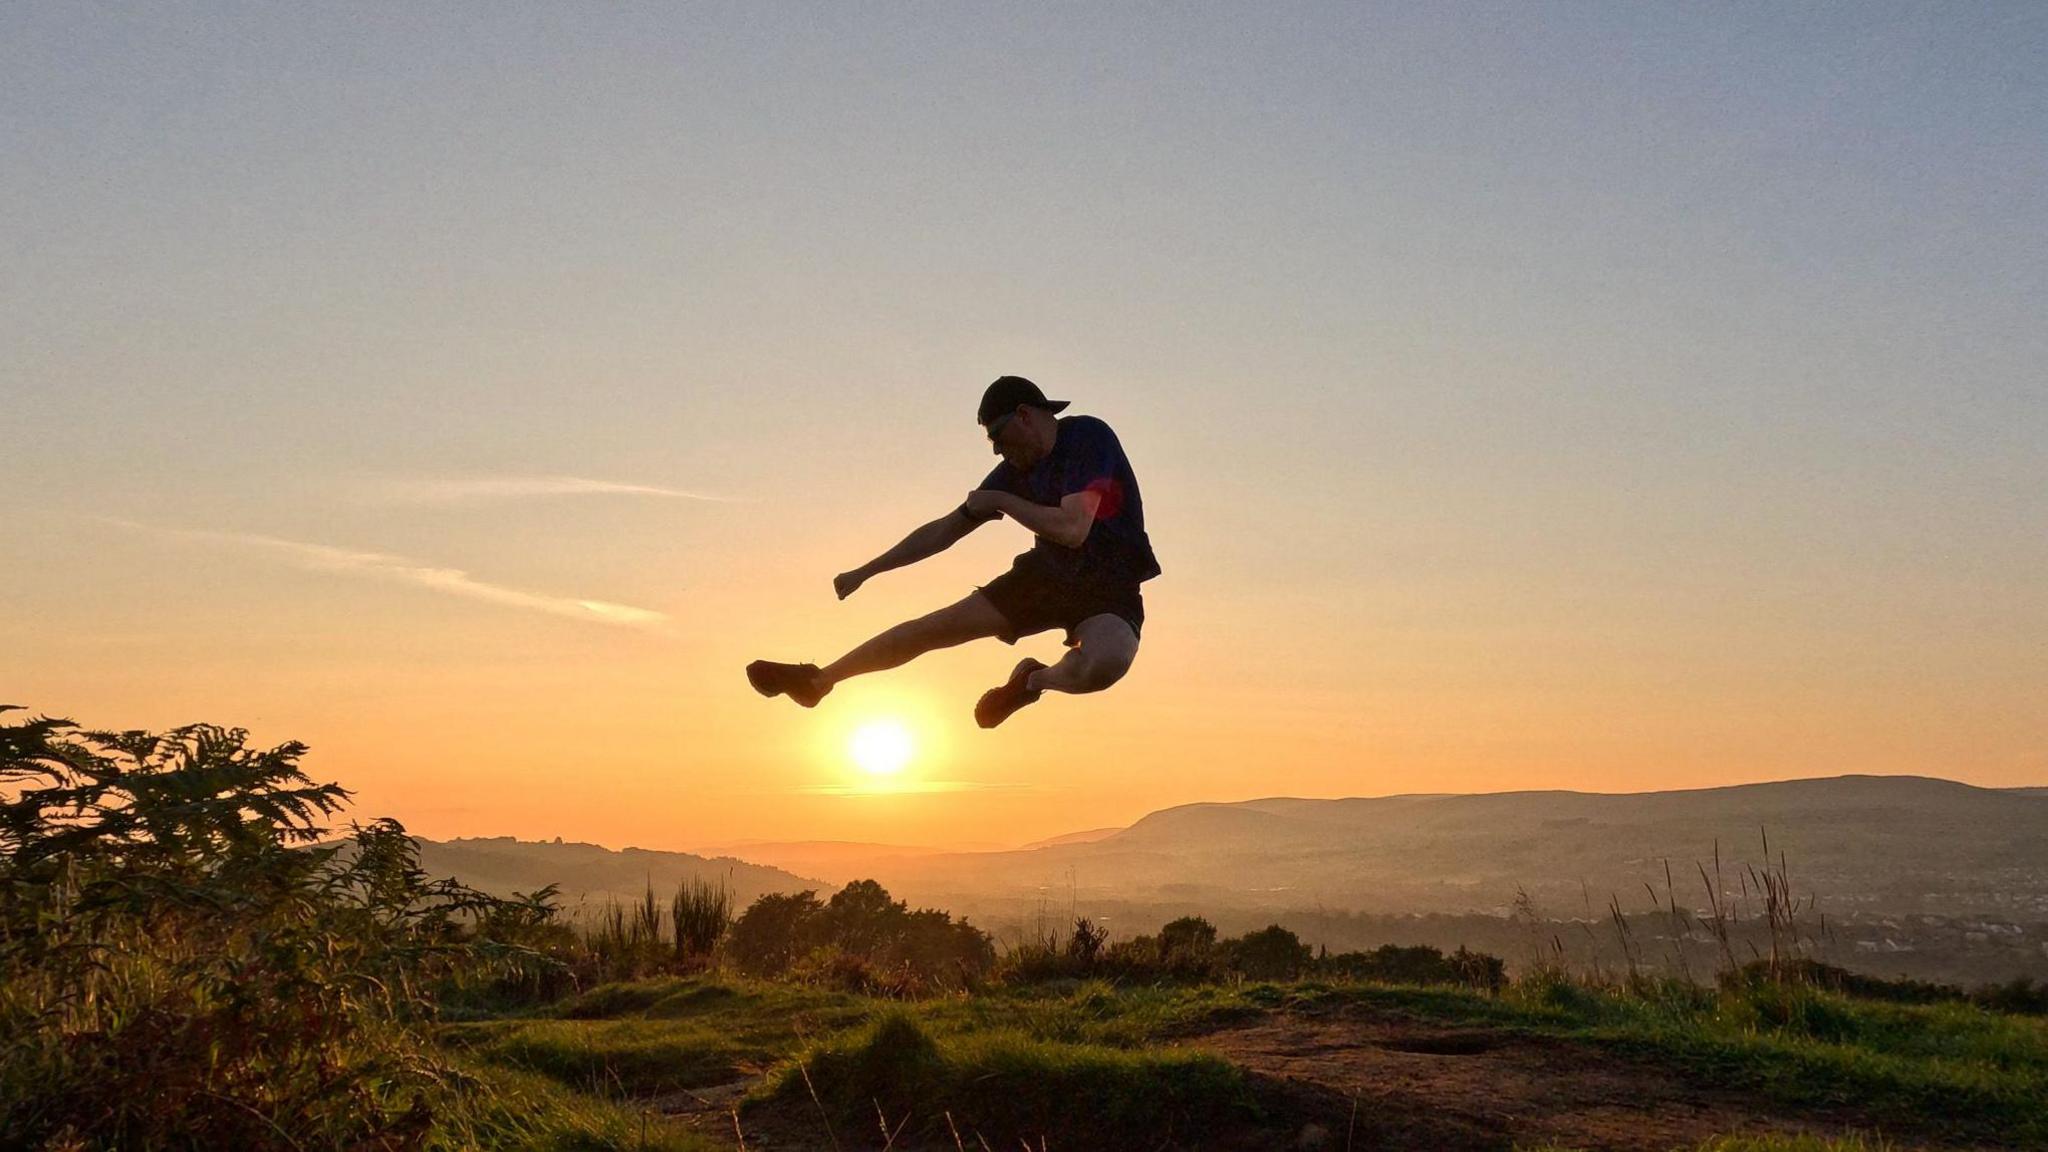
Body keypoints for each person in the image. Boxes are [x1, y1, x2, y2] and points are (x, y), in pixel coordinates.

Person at [746, 375, 1160, 728]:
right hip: (1046, 578)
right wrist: (867, 570)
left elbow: (1073, 528)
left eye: (997, 436)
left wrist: (1002, 501)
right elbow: (944, 531)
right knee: (933, 628)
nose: (997, 450)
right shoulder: (1012, 474)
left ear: (1024, 414)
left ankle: (1031, 681)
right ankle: (818, 681)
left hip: (1109, 583)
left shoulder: (1086, 436)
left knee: (1106, 662)